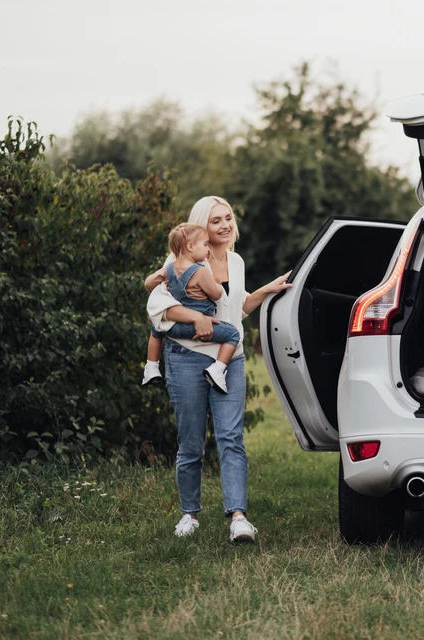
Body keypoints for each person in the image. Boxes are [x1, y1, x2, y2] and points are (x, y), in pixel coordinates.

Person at [145, 196, 292, 542]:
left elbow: (234, 309)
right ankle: (189, 514)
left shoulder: (236, 261)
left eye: (228, 218)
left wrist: (266, 291)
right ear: (201, 227)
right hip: (186, 357)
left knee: (231, 438)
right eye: (215, 221)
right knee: (190, 442)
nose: (225, 225)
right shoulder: (179, 261)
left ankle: (238, 517)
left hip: (230, 359)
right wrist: (196, 316)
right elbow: (157, 306)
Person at [143, 223, 240, 393]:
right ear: (190, 246)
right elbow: (216, 295)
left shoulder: (169, 269)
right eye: (204, 244)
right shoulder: (201, 272)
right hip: (196, 328)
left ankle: (151, 367)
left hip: (173, 328)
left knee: (156, 329)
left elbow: (148, 283)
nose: (208, 250)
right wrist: (216, 283)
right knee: (233, 335)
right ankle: (217, 370)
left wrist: (164, 282)